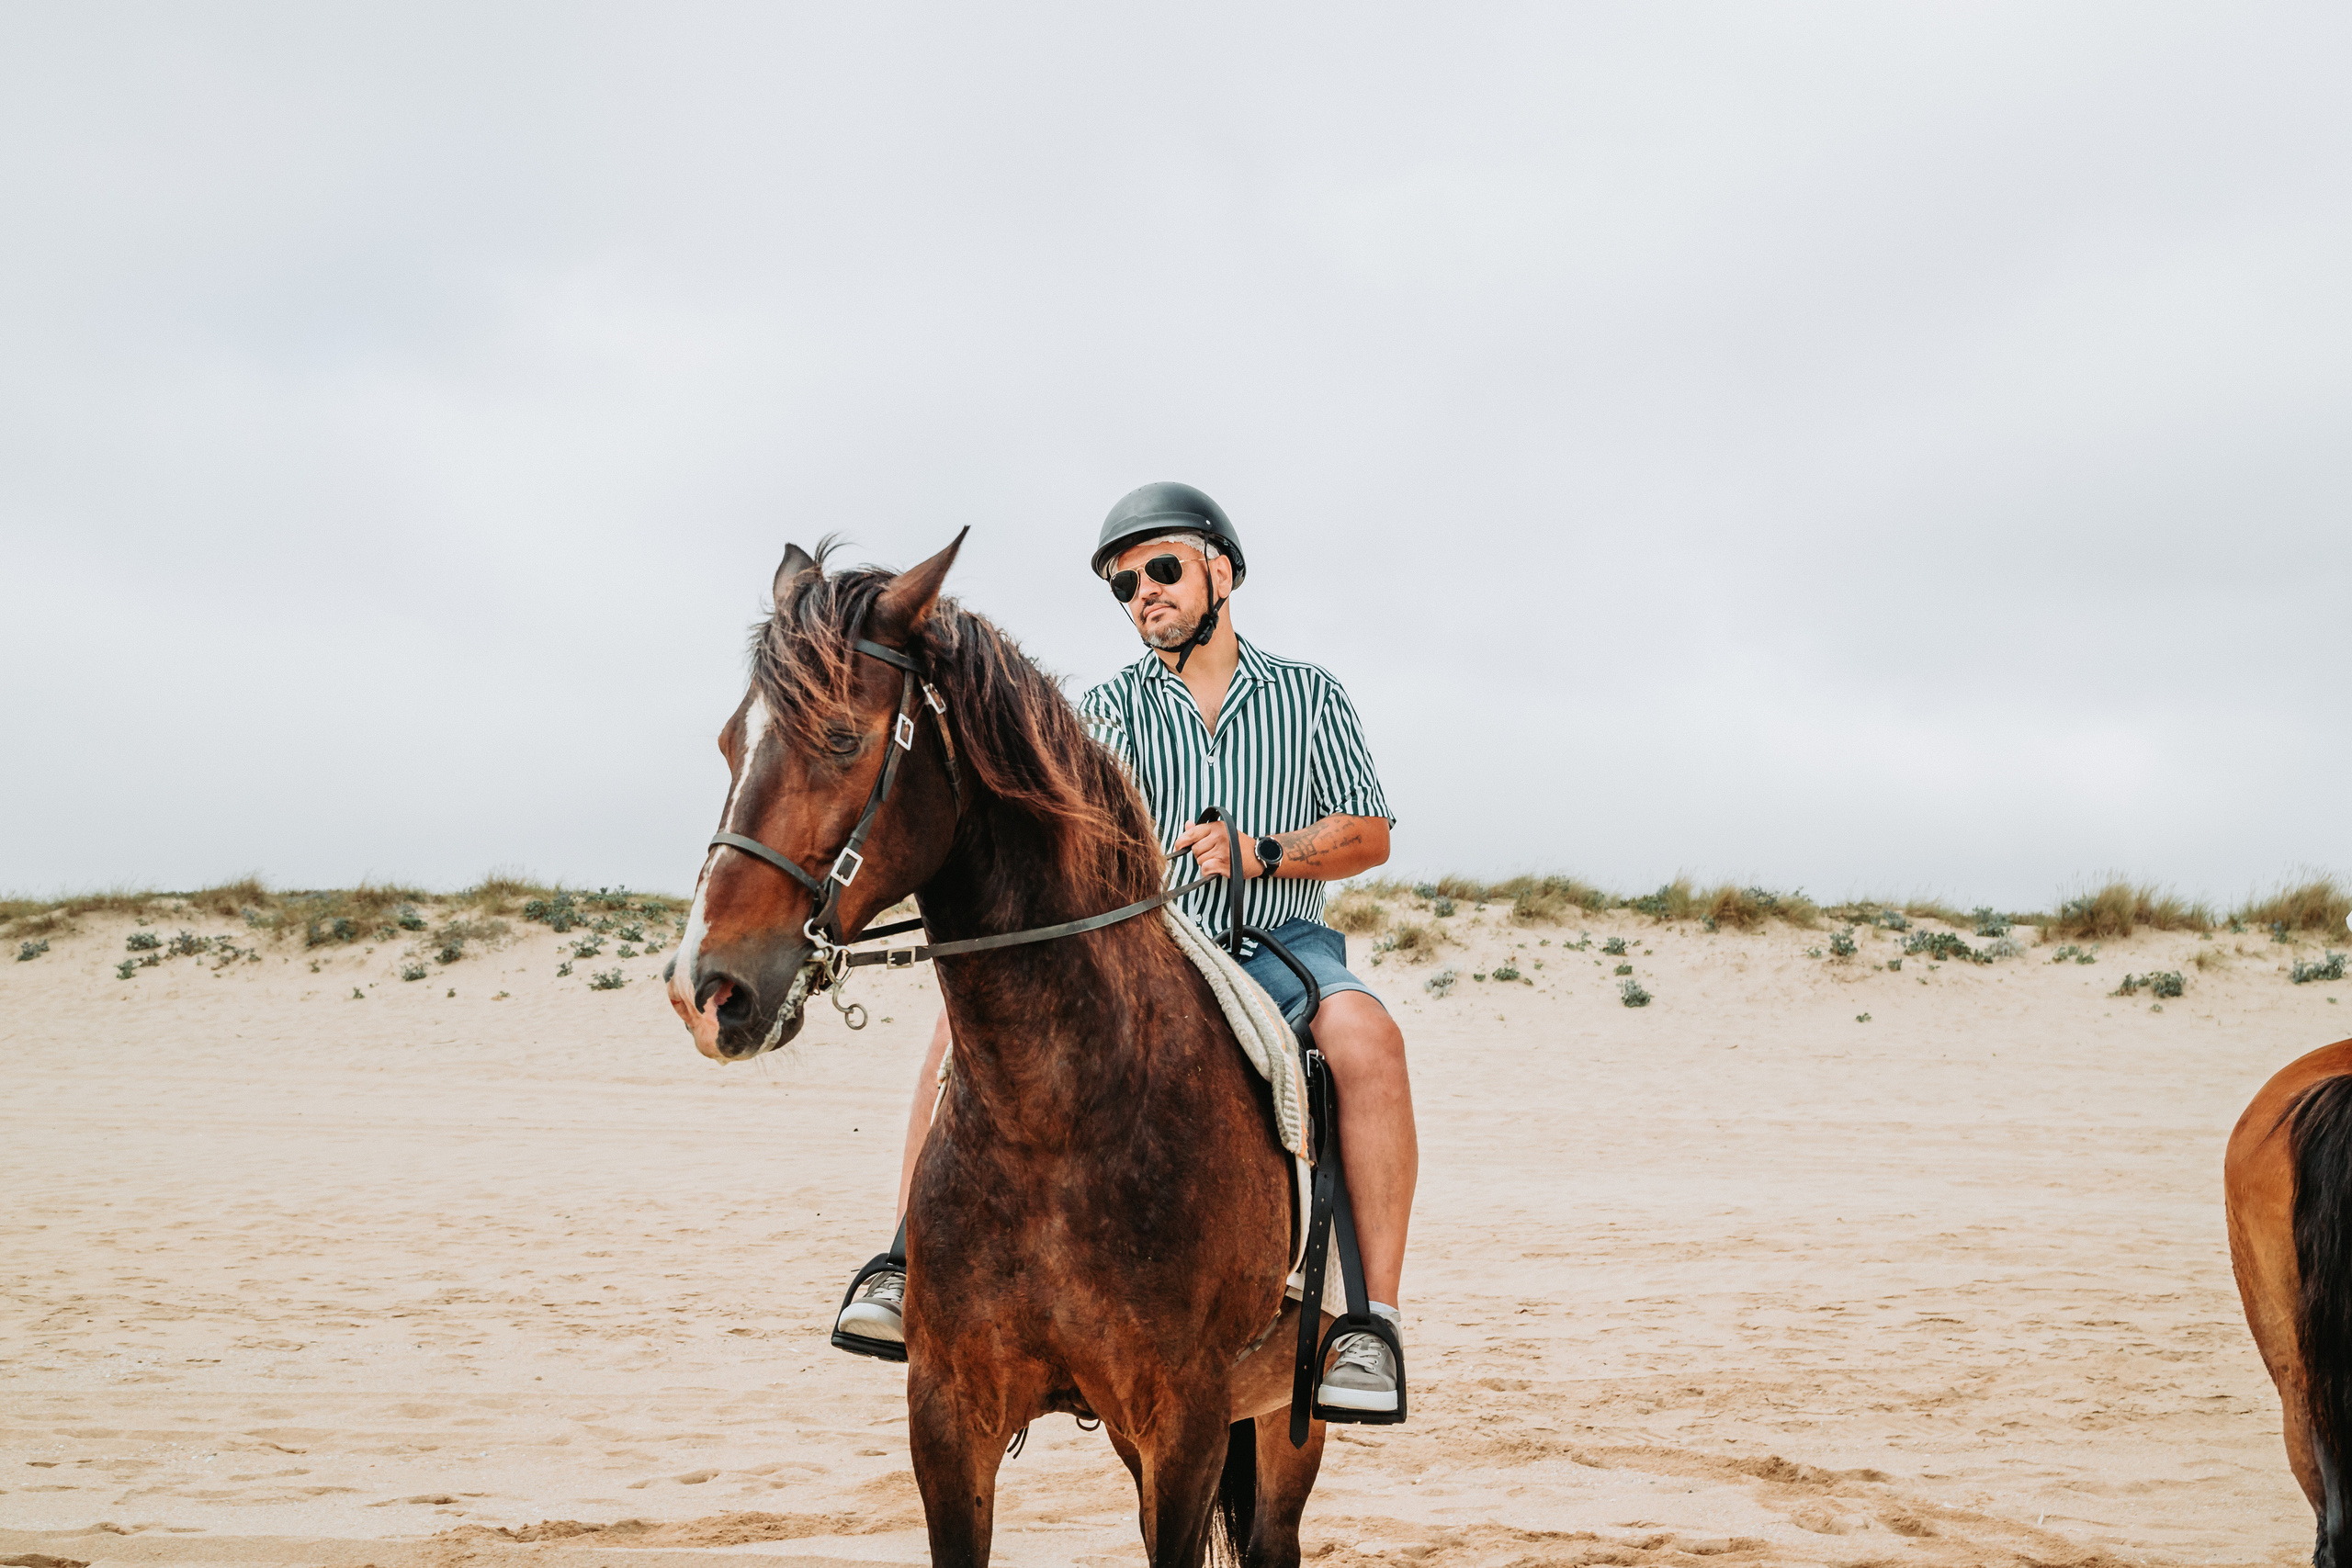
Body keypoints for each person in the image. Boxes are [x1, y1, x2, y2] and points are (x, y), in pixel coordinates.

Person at [833, 481, 1419, 1415]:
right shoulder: (1103, 708)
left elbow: (1368, 834)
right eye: (1122, 585)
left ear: (1219, 571)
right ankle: (902, 1264)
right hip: (1146, 938)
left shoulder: (1310, 696)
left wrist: (1259, 851)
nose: (1142, 592)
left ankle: (1370, 1325)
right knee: (953, 1035)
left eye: (1160, 570)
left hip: (1283, 941)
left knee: (1366, 1042)